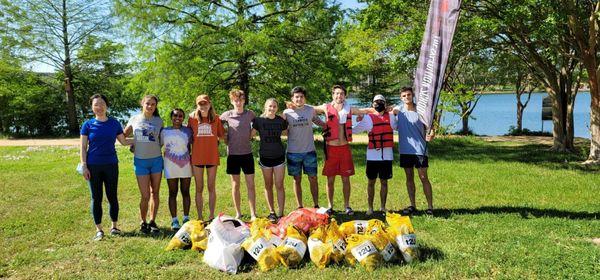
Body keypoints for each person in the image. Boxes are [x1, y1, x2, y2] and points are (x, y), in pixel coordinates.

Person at [312, 85, 371, 216]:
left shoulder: (348, 108)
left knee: (346, 179)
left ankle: (347, 206)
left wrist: (381, 109)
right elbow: (309, 108)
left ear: (345, 96)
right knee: (330, 180)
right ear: (333, 95)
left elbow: (365, 110)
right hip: (331, 149)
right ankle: (330, 206)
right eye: (337, 94)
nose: (339, 96)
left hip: (344, 148)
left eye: (342, 94)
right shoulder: (325, 107)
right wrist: (295, 106)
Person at [80, 94, 131, 241]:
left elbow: (123, 141)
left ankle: (114, 227)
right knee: (96, 198)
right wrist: (84, 166)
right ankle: (99, 230)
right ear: (92, 107)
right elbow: (83, 147)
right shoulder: (87, 125)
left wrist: (142, 139)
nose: (99, 107)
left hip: (111, 165)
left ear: (107, 106)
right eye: (96, 104)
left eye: (102, 103)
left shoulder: (114, 123)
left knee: (112, 196)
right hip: (93, 166)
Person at [124, 95, 164, 234]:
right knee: (145, 195)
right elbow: (122, 136)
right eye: (147, 103)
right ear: (142, 103)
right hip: (140, 162)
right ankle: (143, 221)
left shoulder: (159, 121)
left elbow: (161, 140)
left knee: (155, 193)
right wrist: (134, 143)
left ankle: (152, 221)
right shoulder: (134, 119)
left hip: (156, 161)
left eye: (153, 104)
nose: (150, 106)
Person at [352, 94, 396, 215]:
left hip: (387, 156)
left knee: (384, 182)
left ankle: (382, 207)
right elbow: (354, 130)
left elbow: (400, 125)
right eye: (376, 102)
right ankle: (370, 208)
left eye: (381, 101)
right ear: (372, 105)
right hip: (372, 156)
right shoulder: (368, 118)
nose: (378, 104)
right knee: (371, 182)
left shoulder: (391, 117)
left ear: (385, 104)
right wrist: (341, 127)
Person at [393, 87, 435, 215]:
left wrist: (431, 134)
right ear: (401, 98)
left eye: (409, 95)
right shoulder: (398, 111)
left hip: (420, 150)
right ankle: (413, 205)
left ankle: (430, 207)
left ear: (413, 95)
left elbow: (431, 128)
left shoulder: (421, 111)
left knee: (423, 177)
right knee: (409, 178)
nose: (407, 97)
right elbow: (382, 112)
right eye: (404, 96)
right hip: (405, 150)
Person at [282, 86, 324, 209]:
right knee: (297, 179)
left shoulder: (310, 110)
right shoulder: (286, 112)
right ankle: (299, 206)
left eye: (301, 97)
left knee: (313, 178)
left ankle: (316, 205)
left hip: (309, 151)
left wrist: (329, 125)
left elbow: (319, 121)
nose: (299, 99)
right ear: (292, 98)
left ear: (305, 98)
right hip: (293, 152)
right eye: (296, 97)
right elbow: (282, 130)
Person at [220, 89, 257, 220]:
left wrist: (253, 132)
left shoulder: (250, 114)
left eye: (241, 100)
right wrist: (224, 136)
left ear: (244, 100)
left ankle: (253, 213)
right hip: (233, 155)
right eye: (236, 100)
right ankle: (238, 213)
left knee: (250, 184)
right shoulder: (226, 115)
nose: (238, 102)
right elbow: (215, 124)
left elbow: (260, 122)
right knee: (235, 185)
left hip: (247, 154)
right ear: (232, 101)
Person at [188, 94, 224, 221]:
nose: (203, 106)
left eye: (205, 103)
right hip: (197, 158)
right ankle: (199, 217)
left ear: (210, 104)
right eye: (200, 104)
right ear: (197, 105)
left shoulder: (216, 119)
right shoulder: (191, 119)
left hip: (212, 157)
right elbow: (186, 136)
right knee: (199, 188)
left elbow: (222, 135)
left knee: (211, 186)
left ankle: (211, 215)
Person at [252, 98, 288, 222]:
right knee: (268, 185)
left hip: (279, 157)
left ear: (277, 108)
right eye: (269, 106)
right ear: (265, 107)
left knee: (279, 185)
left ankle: (281, 213)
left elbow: (287, 133)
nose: (272, 108)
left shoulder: (281, 121)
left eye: (274, 106)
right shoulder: (259, 120)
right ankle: (272, 212)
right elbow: (251, 134)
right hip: (265, 157)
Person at [161, 108, 193, 230]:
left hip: (185, 165)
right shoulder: (164, 131)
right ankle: (174, 220)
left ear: (183, 118)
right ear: (171, 117)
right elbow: (157, 144)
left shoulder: (188, 131)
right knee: (172, 193)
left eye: (180, 116)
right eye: (175, 116)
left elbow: (191, 146)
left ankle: (186, 218)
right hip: (170, 165)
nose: (177, 118)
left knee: (185, 192)